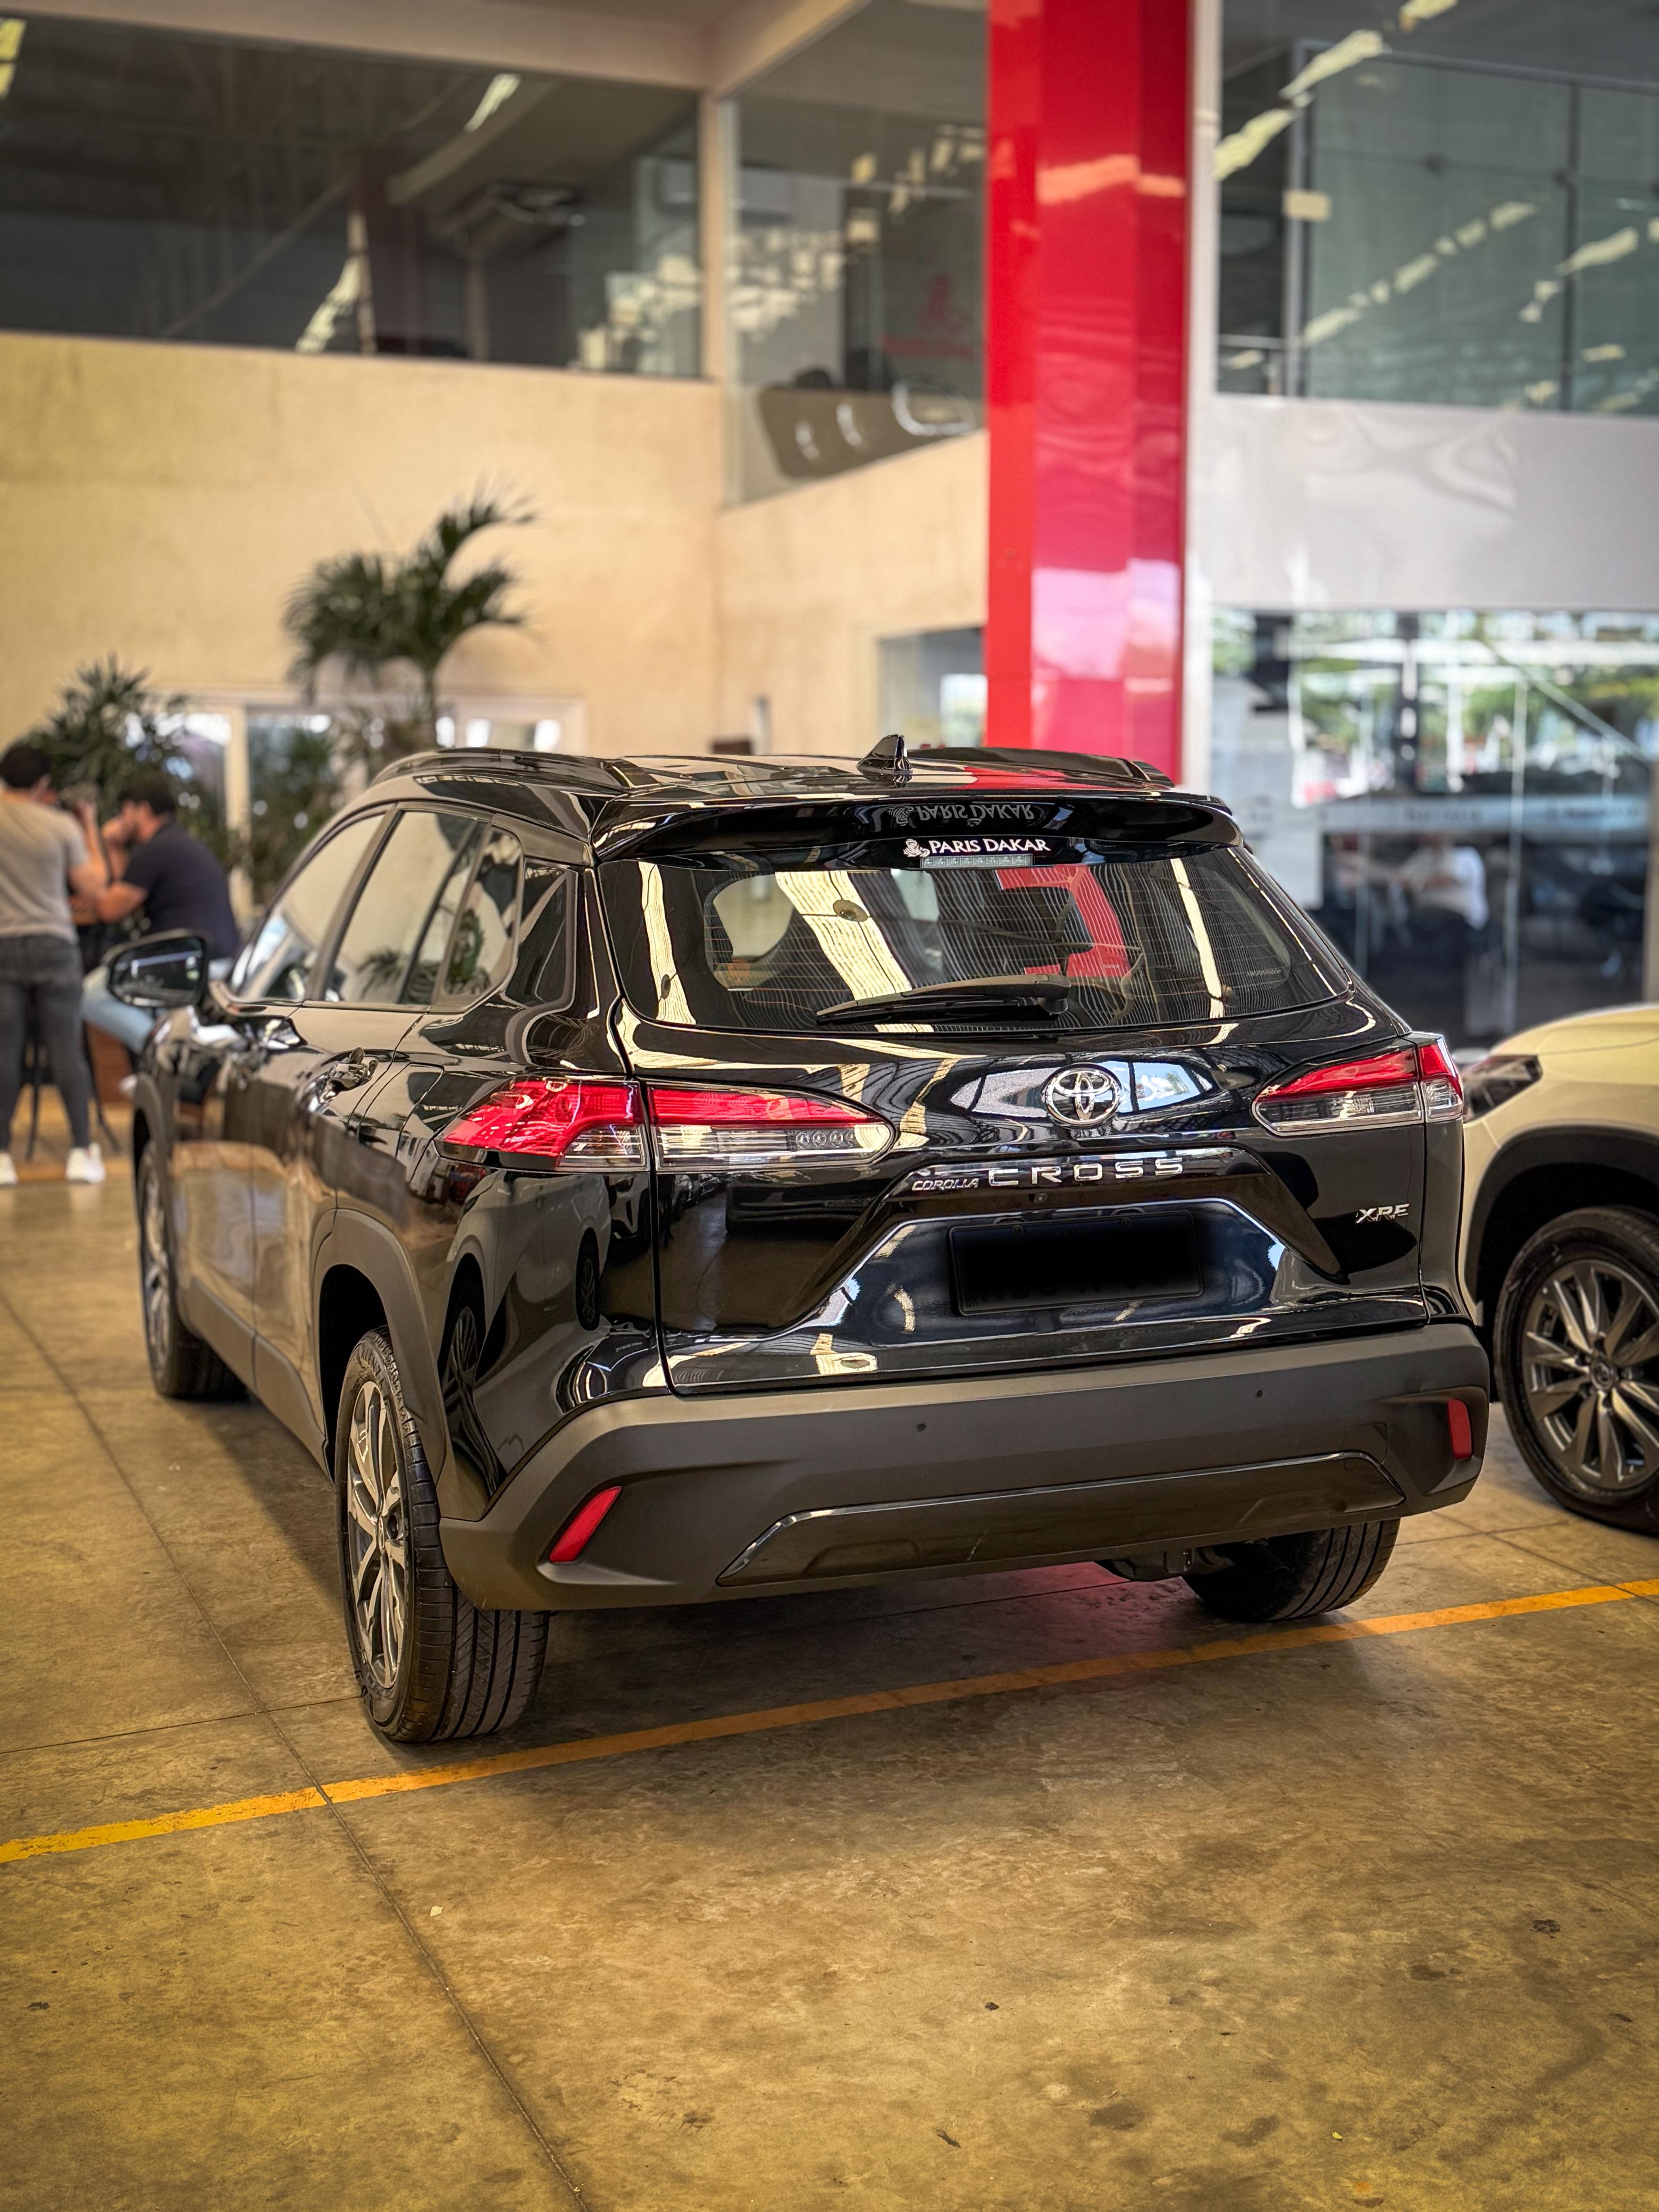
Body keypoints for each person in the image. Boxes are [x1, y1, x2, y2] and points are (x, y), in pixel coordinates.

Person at [0, 740, 110, 1186]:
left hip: (4, 944)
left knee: (5, 1052)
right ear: (43, 782)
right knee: (66, 1048)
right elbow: (95, 886)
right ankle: (81, 1151)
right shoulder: (60, 825)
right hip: (54, 943)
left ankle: (1, 1158)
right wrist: (90, 826)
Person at [81, 770, 239, 1057]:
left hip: (188, 964)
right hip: (217, 960)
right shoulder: (181, 844)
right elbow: (129, 892)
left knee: (91, 994)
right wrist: (115, 848)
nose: (122, 819)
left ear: (141, 810)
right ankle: (172, 1053)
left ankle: (167, 1054)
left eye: (125, 811)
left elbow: (109, 910)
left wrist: (95, 838)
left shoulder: (154, 850)